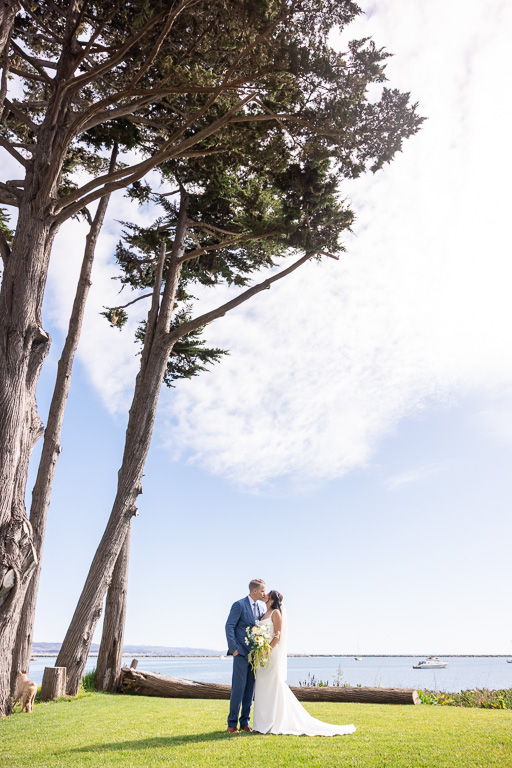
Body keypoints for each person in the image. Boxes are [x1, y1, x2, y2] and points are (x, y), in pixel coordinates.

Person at [253, 590, 356, 736]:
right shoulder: (264, 613)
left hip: (271, 653)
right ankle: (261, 723)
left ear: (272, 598)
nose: (264, 594)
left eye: (267, 593)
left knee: (273, 685)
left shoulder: (276, 613)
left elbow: (277, 635)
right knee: (263, 687)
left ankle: (272, 722)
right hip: (262, 655)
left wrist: (267, 650)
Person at [225, 578, 267, 733]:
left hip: (254, 656)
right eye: (262, 590)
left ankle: (244, 722)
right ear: (254, 591)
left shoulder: (261, 608)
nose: (264, 593)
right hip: (241, 654)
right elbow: (229, 626)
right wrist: (234, 649)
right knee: (239, 688)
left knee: (250, 689)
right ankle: (232, 724)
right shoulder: (239, 605)